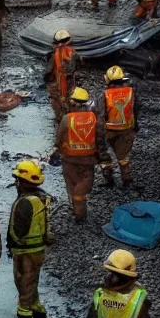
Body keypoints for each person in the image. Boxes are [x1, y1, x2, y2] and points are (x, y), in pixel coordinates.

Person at [8, 160, 54, 318]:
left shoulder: (25, 202)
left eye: (18, 179)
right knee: (31, 289)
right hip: (37, 251)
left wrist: (13, 243)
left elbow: (19, 230)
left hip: (25, 253)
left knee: (24, 292)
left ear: (23, 181)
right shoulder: (41, 197)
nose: (16, 183)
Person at [55, 87, 99, 222]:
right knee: (84, 184)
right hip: (88, 160)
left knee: (73, 187)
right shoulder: (93, 117)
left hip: (70, 160)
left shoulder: (67, 119)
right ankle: (79, 207)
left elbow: (59, 138)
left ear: (73, 103)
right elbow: (100, 137)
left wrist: (57, 149)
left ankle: (78, 213)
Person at [99, 66, 137, 188]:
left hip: (109, 130)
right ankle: (127, 180)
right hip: (126, 129)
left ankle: (109, 180)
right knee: (124, 156)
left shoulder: (105, 94)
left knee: (105, 155)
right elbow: (136, 109)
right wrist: (135, 125)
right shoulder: (130, 92)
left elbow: (100, 113)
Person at [46, 29, 79, 117]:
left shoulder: (55, 54)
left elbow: (49, 71)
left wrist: (46, 80)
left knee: (60, 100)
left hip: (60, 81)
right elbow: (79, 64)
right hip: (71, 80)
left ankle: (62, 117)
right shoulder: (73, 51)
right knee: (72, 98)